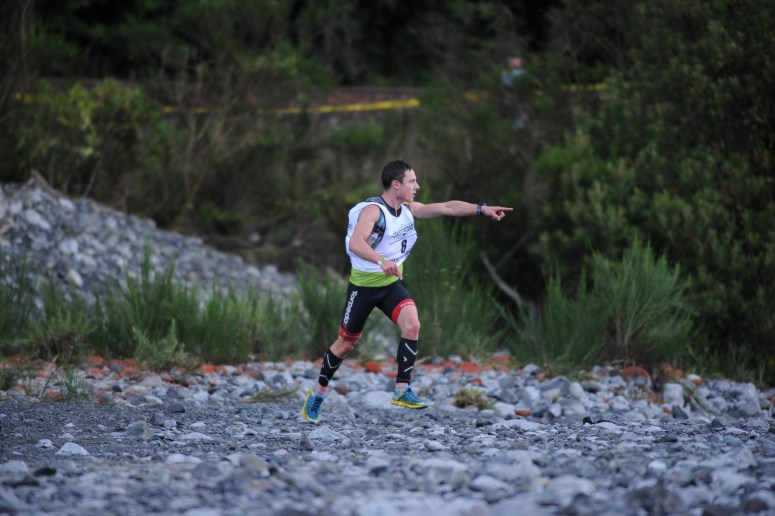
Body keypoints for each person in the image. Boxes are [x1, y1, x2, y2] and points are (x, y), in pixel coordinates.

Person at [302, 159, 512, 424]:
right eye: (412, 181)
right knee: (345, 344)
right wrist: (382, 261)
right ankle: (318, 392)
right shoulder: (373, 212)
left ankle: (402, 390)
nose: (417, 186)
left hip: (389, 286)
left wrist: (482, 209)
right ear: (396, 184)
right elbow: (356, 243)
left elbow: (447, 207)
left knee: (412, 324)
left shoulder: (409, 209)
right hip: (364, 287)